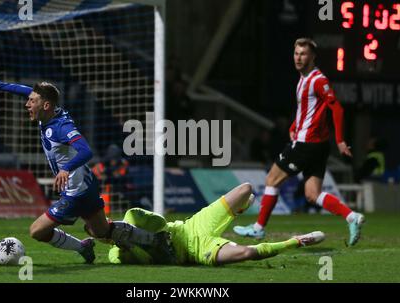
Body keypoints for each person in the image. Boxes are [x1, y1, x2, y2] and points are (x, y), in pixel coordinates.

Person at [0, 72, 170, 264]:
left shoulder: (60, 128)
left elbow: (86, 151)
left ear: (45, 105)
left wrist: (66, 169)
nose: (27, 104)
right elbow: (25, 91)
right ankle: (155, 240)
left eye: (32, 101)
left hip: (75, 192)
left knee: (37, 231)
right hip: (86, 183)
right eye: (29, 100)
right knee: (101, 230)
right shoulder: (48, 111)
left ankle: (82, 247)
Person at [233, 38, 365, 246]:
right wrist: (294, 125)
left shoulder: (317, 80)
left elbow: (337, 108)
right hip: (317, 145)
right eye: (296, 53)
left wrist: (340, 140)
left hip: (307, 144)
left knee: (271, 180)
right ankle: (352, 217)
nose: (299, 58)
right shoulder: (303, 79)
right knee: (313, 194)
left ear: (313, 57)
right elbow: (308, 110)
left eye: (303, 54)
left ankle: (258, 229)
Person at [107, 183, 325, 266]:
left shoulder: (132, 217)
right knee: (246, 254)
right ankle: (295, 242)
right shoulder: (116, 256)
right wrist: (127, 245)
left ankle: (236, 210)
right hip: (196, 252)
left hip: (191, 227)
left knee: (246, 189)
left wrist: (129, 228)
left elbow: (158, 222)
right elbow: (133, 257)